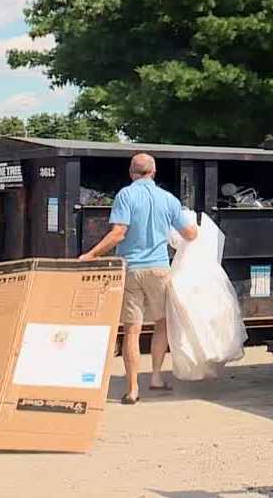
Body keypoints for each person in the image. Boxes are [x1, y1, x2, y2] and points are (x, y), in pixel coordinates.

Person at [79, 153, 197, 405]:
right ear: (153, 172)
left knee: (132, 329)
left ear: (131, 172)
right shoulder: (168, 199)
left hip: (131, 269)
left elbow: (118, 233)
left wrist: (91, 254)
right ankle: (156, 377)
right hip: (159, 269)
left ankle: (132, 389)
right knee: (162, 323)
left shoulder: (125, 195)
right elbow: (190, 233)